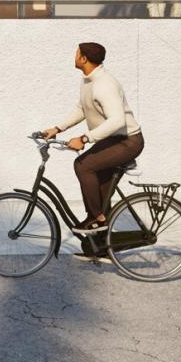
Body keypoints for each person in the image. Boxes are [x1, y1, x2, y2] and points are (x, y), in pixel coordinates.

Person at [41, 42, 143, 239]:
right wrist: (58, 128)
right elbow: (82, 108)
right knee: (100, 195)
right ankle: (99, 246)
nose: (74, 57)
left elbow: (117, 120)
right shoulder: (88, 81)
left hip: (128, 142)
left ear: (84, 58)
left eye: (76, 54)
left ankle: (97, 218)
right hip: (113, 141)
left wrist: (84, 138)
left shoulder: (104, 84)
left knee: (83, 165)